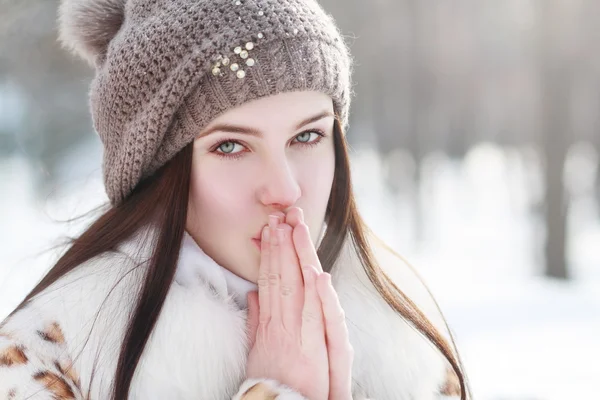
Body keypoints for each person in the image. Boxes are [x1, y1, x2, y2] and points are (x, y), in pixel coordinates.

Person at [0, 0, 469, 399]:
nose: (285, 190)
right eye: (231, 146)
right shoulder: (48, 361)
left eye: (307, 136)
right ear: (159, 174)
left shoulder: (409, 341)